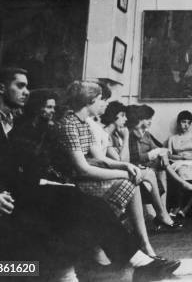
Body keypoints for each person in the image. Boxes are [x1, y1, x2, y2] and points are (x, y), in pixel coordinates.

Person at [0, 60, 181, 281]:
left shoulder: (14, 121)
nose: (27, 93)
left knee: (84, 202)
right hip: (4, 198)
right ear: (0, 89)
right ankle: (108, 264)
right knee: (73, 205)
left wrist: (39, 182)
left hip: (12, 192)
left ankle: (134, 260)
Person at [49, 81, 159, 258]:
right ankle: (126, 245)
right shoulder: (69, 124)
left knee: (131, 180)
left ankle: (140, 243)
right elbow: (83, 169)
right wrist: (124, 172)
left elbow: (99, 158)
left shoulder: (83, 123)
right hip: (71, 183)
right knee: (128, 182)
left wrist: (126, 165)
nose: (105, 104)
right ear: (89, 101)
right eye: (101, 99)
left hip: (84, 177)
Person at [101, 101, 179, 230]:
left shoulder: (117, 133)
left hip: (124, 168)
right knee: (149, 173)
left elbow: (125, 160)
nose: (125, 119)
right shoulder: (110, 135)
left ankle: (161, 214)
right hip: (112, 171)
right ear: (114, 117)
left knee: (151, 172)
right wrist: (126, 137)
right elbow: (122, 161)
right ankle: (162, 214)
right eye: (122, 115)